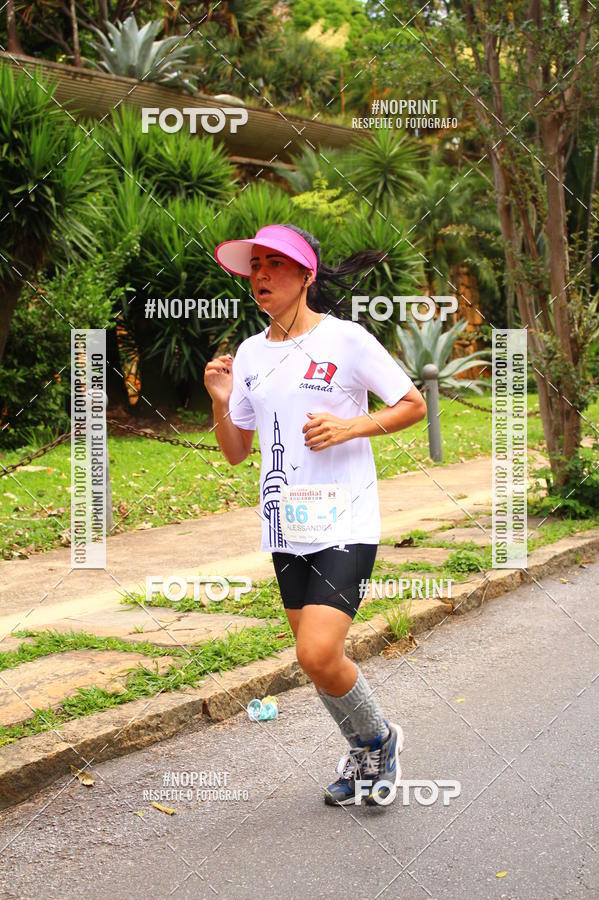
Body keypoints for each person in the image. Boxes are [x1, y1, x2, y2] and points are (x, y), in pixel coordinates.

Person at [204, 223, 427, 806]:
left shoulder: (346, 341)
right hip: (286, 524)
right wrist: (222, 403)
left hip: (346, 519)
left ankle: (380, 739)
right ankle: (363, 750)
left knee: (317, 653)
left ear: (305, 275)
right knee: (318, 662)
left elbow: (413, 403)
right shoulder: (251, 353)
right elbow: (236, 451)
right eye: (255, 266)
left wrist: (352, 425)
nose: (262, 276)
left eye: (275, 265)